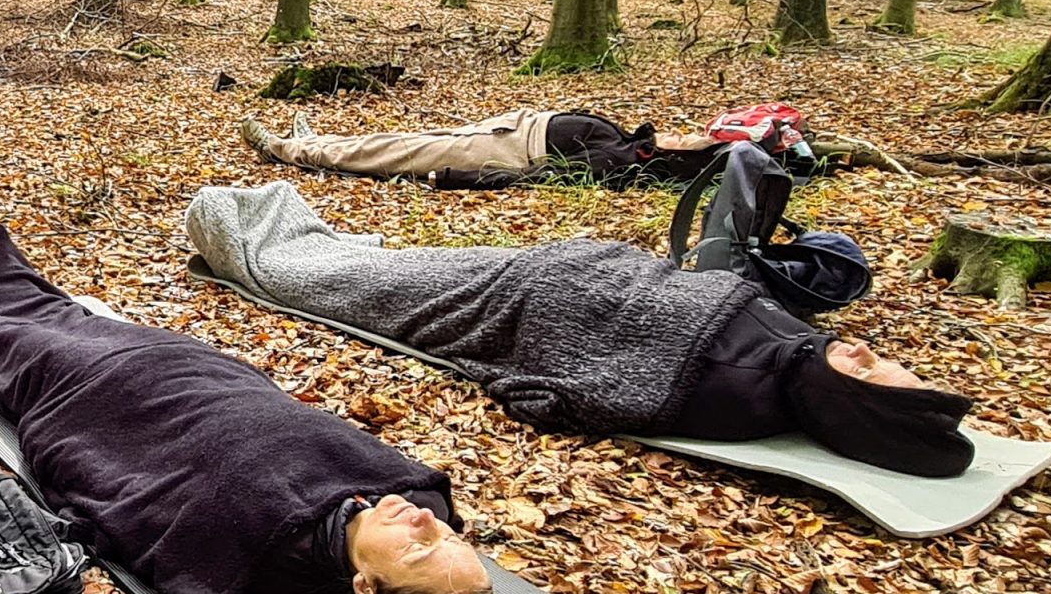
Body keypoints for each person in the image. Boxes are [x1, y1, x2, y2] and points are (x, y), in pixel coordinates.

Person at [0, 223, 496, 594]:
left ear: (365, 589)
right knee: (64, 314)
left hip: (101, 391)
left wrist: (62, 435)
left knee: (9, 330)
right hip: (200, 369)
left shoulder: (253, 547)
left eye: (419, 551)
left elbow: (129, 503)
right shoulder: (418, 498)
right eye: (447, 536)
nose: (425, 521)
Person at [185, 181, 976, 477]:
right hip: (538, 263)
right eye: (881, 358)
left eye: (867, 372)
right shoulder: (795, 340)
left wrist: (501, 372)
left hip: (505, 305)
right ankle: (281, 216)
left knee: (323, 281)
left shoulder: (732, 400)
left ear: (846, 403)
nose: (865, 350)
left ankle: (236, 223)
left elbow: (561, 393)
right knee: (389, 262)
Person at [240, 108, 721, 189]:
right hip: (502, 130)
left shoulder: (619, 162)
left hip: (496, 154)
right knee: (398, 140)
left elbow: (541, 177)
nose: (682, 133)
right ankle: (312, 140)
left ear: (678, 157)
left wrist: (457, 180)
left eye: (688, 140)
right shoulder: (630, 144)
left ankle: (285, 149)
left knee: (387, 153)